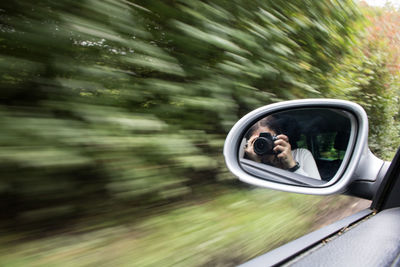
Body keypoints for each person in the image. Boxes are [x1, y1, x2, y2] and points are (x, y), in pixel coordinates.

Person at [244, 115, 321, 180]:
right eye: (257, 141)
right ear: (249, 145)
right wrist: (256, 164)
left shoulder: (301, 155)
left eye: (268, 138)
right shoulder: (249, 165)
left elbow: (317, 190)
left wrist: (292, 165)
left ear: (279, 138)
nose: (263, 144)